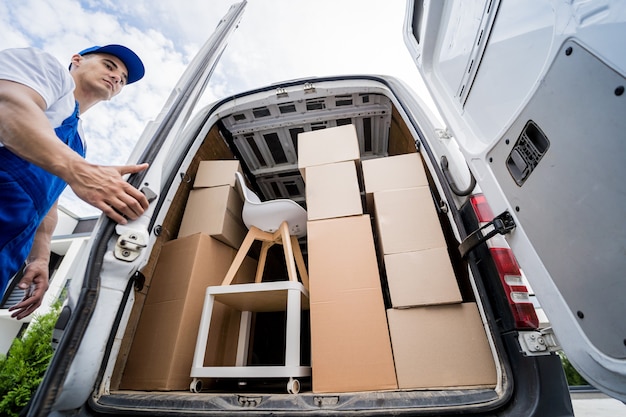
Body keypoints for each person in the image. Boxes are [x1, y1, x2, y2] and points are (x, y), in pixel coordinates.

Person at [0, 44, 150, 320]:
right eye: (109, 65)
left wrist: (41, 258)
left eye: (124, 78)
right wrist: (80, 171)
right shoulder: (45, 69)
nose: (117, 77)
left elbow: (47, 202)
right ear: (77, 60)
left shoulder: (78, 143)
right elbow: (7, 105)